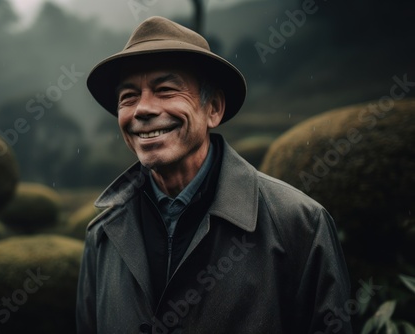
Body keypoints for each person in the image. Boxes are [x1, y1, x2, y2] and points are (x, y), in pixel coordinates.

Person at [76, 16, 352, 334]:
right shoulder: (102, 235)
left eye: (165, 90)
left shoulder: (298, 224)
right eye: (128, 97)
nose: (142, 109)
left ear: (214, 109)